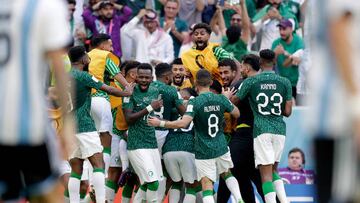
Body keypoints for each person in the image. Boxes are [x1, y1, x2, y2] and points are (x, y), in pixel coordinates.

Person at [0, 0, 72, 201]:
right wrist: (68, 124)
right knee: (49, 194)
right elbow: (60, 69)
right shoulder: (46, 6)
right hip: (28, 124)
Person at [148, 69, 245, 203]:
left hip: (203, 149)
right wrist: (225, 100)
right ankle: (239, 199)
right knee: (227, 173)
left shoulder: (196, 102)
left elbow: (183, 123)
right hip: (221, 145)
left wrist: (161, 123)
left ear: (196, 84)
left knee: (206, 184)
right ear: (211, 82)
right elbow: (237, 114)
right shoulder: (221, 98)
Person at [308, 0, 360, 201]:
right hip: (338, 108)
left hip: (339, 104)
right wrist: (355, 104)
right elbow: (339, 34)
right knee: (341, 194)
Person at [66, 45, 132, 203]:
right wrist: (126, 92)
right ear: (83, 59)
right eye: (87, 56)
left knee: (76, 169)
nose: (89, 58)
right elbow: (108, 89)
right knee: (98, 163)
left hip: (69, 128)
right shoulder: (84, 76)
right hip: (84, 126)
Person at [234, 49, 293, 203]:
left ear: (259, 63)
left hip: (261, 129)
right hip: (279, 129)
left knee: (265, 176)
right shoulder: (285, 81)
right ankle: (285, 201)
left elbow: (234, 102)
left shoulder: (251, 81)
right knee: (274, 170)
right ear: (274, 62)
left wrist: (227, 96)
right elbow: (287, 112)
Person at [218, 55, 265, 203]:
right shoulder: (260, 83)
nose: (223, 76)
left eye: (226, 73)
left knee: (228, 172)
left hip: (244, 135)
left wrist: (224, 98)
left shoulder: (240, 84)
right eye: (221, 73)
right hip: (257, 136)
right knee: (250, 177)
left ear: (235, 72)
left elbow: (231, 107)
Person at [88, 33, 130, 179]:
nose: (111, 48)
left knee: (90, 141)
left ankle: (91, 179)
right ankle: (102, 175)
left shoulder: (85, 56)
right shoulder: (104, 55)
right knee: (105, 140)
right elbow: (116, 73)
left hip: (85, 102)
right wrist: (127, 87)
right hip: (100, 99)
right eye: (110, 45)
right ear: (102, 45)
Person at [122, 63, 164, 203]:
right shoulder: (129, 92)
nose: (144, 80)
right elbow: (128, 119)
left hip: (151, 144)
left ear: (152, 78)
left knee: (148, 183)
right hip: (136, 144)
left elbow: (170, 90)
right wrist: (150, 107)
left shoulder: (155, 90)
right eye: (141, 77)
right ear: (136, 77)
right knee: (153, 183)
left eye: (147, 77)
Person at [162, 88, 200, 203]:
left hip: (168, 150)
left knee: (176, 182)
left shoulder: (173, 112)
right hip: (187, 149)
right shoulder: (197, 112)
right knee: (191, 186)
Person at [272, 19, 304, 101]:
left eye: (284, 29)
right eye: (280, 29)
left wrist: (285, 53)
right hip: (282, 83)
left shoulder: (299, 41)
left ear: (291, 29)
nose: (281, 32)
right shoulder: (276, 43)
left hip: (296, 83)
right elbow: (271, 64)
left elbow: (299, 60)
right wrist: (275, 54)